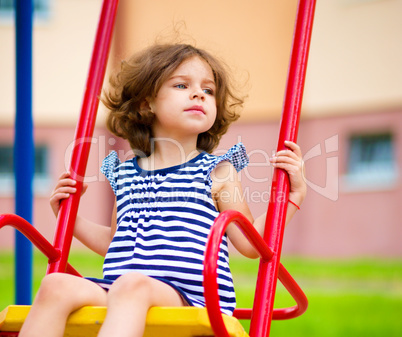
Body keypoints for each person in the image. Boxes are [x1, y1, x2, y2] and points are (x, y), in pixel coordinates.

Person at [19, 43, 306, 337]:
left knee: (133, 285)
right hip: (123, 290)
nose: (199, 94)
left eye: (208, 91)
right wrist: (70, 219)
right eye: (182, 85)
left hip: (192, 298)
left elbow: (249, 244)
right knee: (56, 284)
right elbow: (114, 242)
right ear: (146, 104)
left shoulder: (217, 171)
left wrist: (290, 199)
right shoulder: (127, 173)